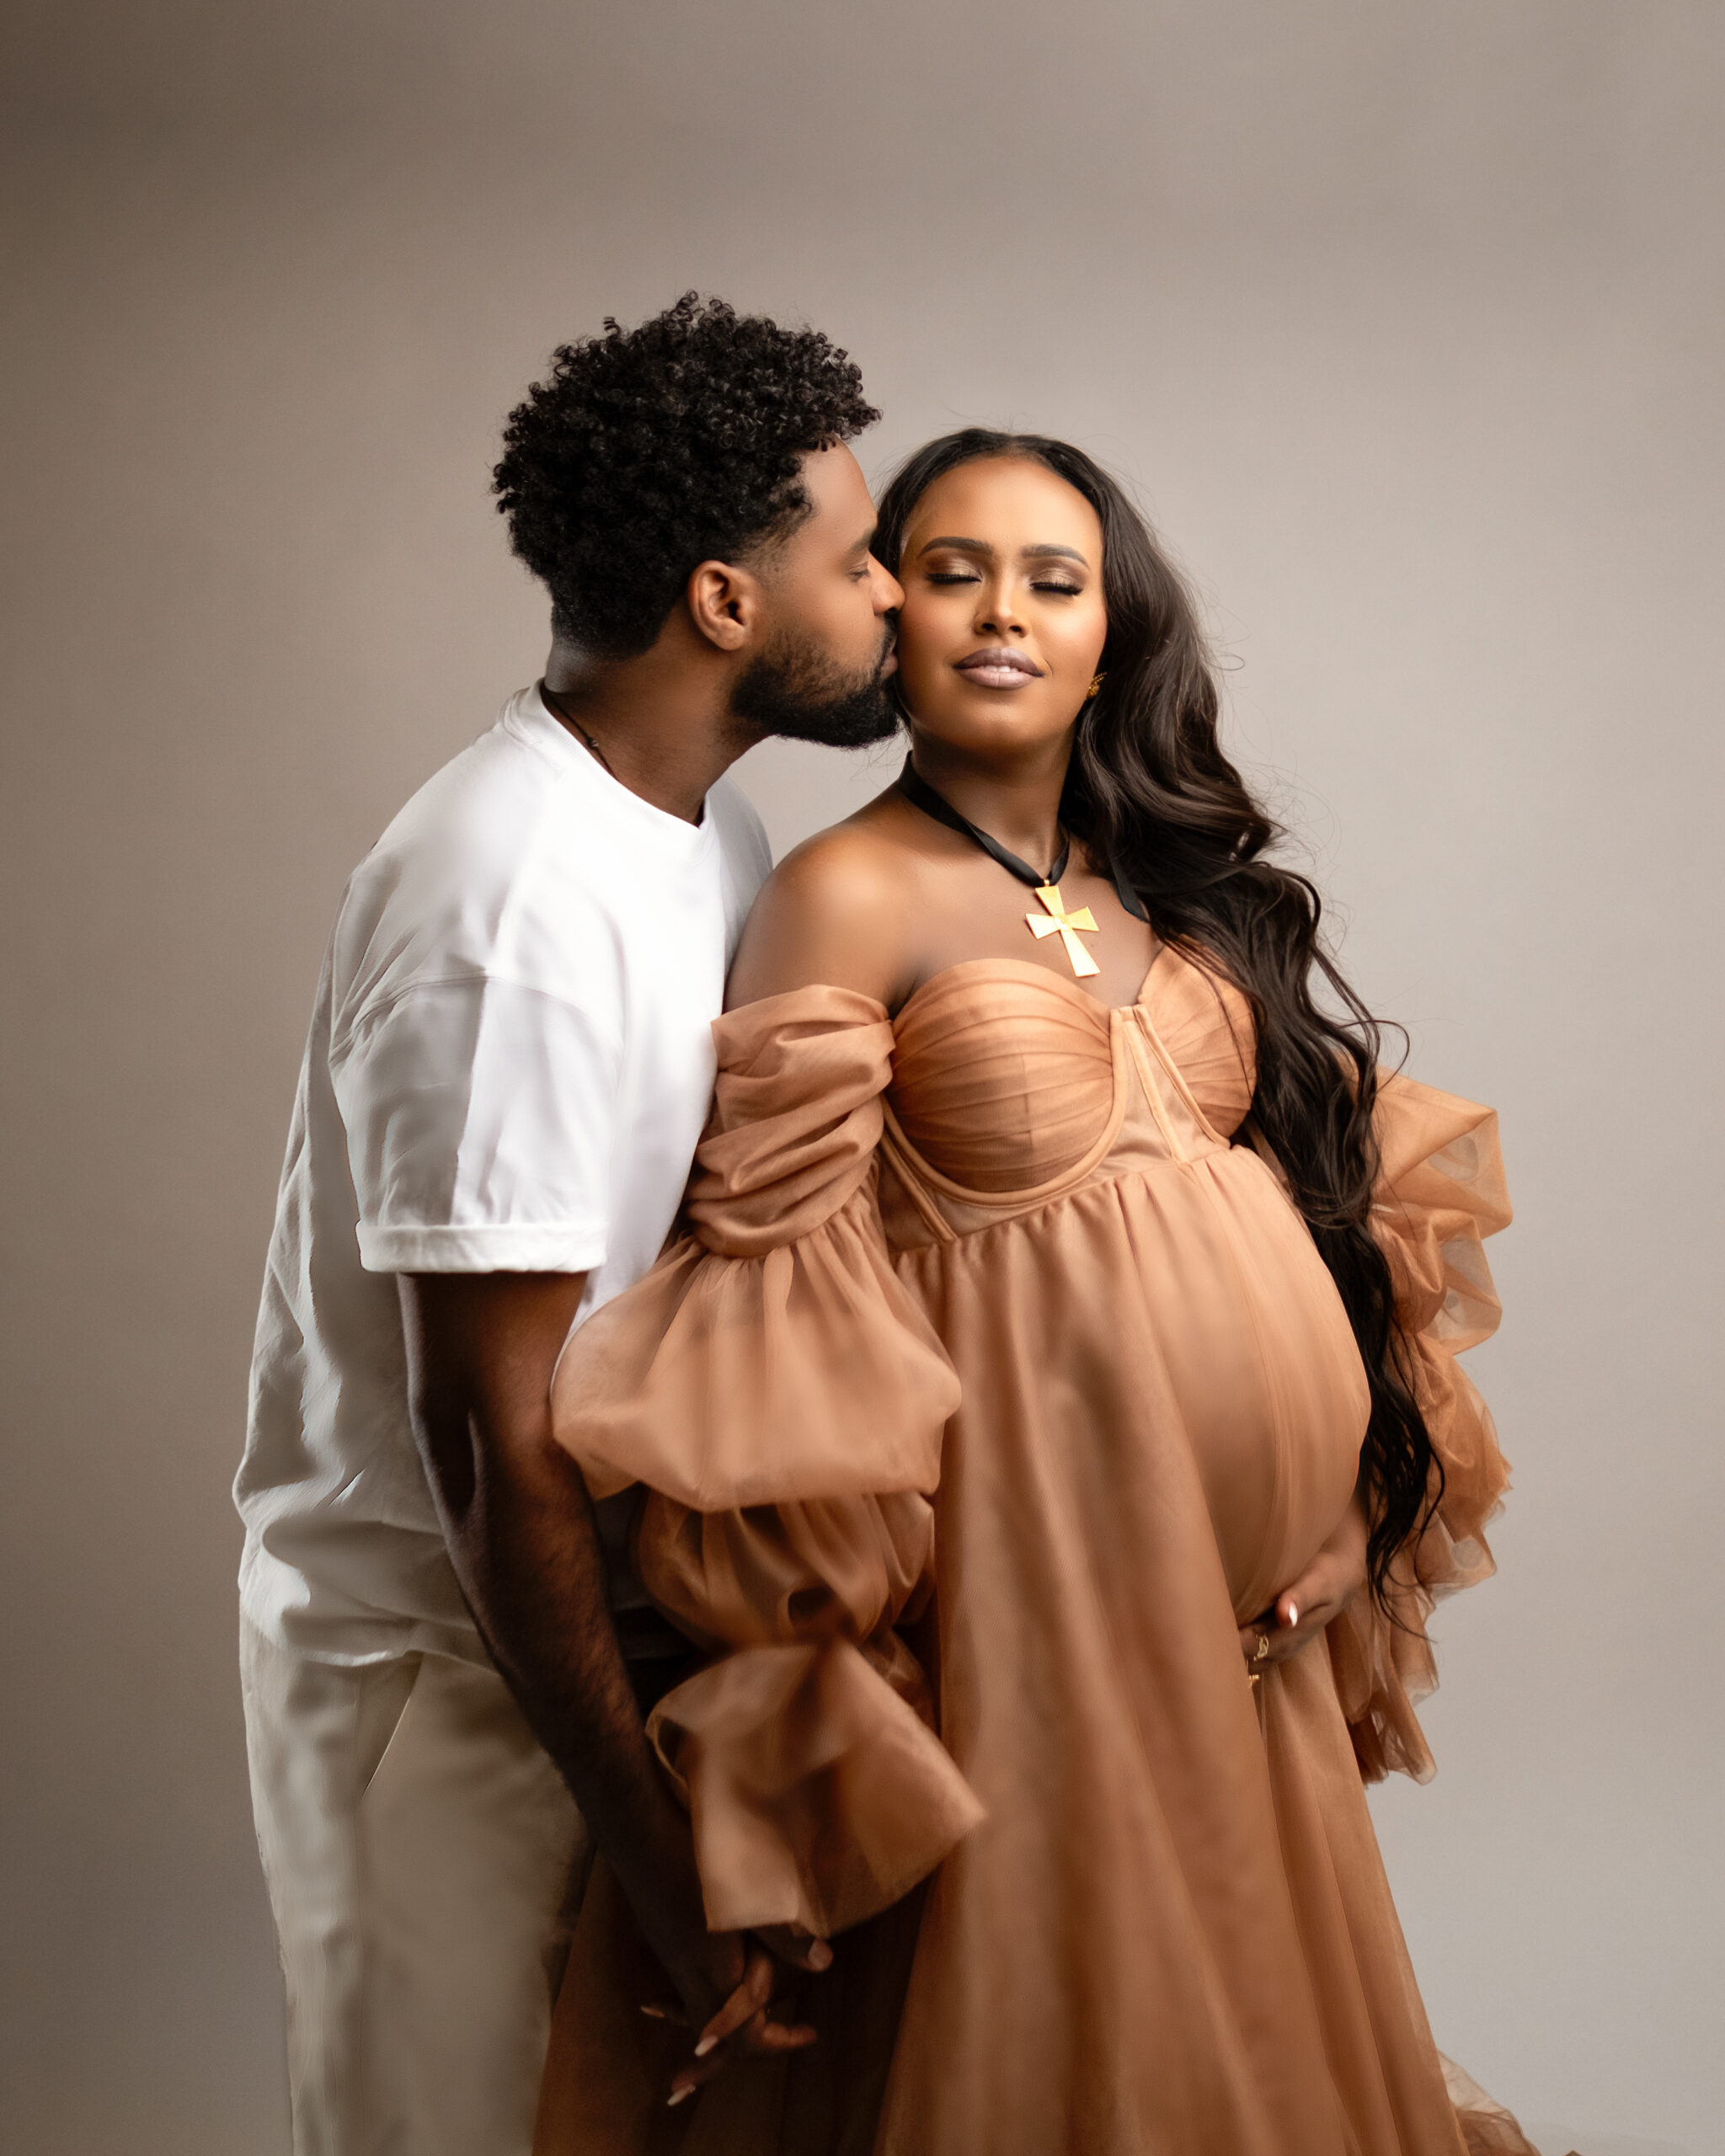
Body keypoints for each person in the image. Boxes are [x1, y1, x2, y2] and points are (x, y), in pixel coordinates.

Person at [537, 430, 1528, 2154]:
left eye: (1052, 580)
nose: (1002, 611)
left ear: (1108, 634)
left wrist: (1354, 1499)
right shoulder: (842, 892)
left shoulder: (1168, 885)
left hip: (1245, 1641)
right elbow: (779, 1299)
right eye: (949, 568)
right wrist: (843, 1662)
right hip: (1029, 1592)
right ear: (888, 617)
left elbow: (1329, 1220)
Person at [234, 293, 905, 2156]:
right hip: (447, 1683)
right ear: (722, 601)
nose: (897, 600)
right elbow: (486, 1440)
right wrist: (653, 1840)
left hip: (588, 1651)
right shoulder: (508, 908)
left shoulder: (704, 831)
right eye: (854, 560)